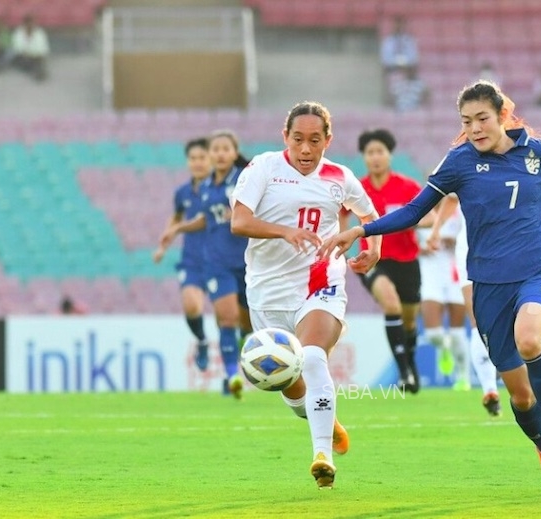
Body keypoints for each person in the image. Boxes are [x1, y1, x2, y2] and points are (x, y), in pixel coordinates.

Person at [319, 80, 541, 496]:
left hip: (540, 271)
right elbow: (414, 211)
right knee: (519, 395)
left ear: (502, 115)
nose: (475, 128)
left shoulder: (540, 153)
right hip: (488, 284)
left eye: (482, 118)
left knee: (530, 341)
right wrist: (362, 229)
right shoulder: (458, 162)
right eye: (466, 121)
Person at [230, 101, 381, 489]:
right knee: (287, 379)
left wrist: (374, 246)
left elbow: (370, 216)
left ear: (328, 140)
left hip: (320, 281)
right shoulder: (263, 168)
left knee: (312, 357)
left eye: (315, 140)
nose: (306, 149)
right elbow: (240, 221)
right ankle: (327, 424)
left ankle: (322, 457)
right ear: (286, 137)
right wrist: (285, 232)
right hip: (267, 292)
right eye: (298, 139)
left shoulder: (340, 177)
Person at [159, 130, 252, 397]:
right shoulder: (207, 187)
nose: (221, 154)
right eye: (216, 149)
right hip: (217, 263)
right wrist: (178, 229)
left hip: (246, 264)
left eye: (226, 149)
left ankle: (244, 356)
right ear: (211, 155)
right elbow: (206, 219)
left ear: (234, 153)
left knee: (246, 324)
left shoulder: (244, 181)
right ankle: (232, 376)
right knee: (226, 318)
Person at [342, 128, 433, 394]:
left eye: (380, 152)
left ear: (389, 155)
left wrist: (410, 222)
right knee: (390, 304)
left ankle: (410, 365)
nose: (375, 157)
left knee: (408, 319)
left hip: (407, 259)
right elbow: (340, 217)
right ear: (364, 157)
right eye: (370, 153)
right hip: (373, 259)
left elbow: (430, 215)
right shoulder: (358, 189)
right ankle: (403, 371)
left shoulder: (406, 186)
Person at [426, 195, 502, 416]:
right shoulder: (463, 162)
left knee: (504, 320)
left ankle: (498, 363)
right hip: (470, 252)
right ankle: (490, 390)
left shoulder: (515, 162)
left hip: (506, 251)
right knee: (478, 321)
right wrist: (436, 230)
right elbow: (451, 197)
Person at [153, 137, 212, 371]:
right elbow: (177, 217)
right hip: (193, 259)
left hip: (223, 259)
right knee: (191, 305)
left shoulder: (222, 189)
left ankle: (237, 357)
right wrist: (163, 245)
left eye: (202, 158)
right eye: (193, 158)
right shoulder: (183, 193)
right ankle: (202, 340)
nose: (197, 163)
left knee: (230, 317)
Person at [416, 204, 469, 390]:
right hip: (430, 273)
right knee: (433, 335)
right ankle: (444, 346)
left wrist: (454, 241)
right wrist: (419, 250)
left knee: (457, 331)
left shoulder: (460, 209)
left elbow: (471, 235)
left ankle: (463, 376)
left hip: (455, 273)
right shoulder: (421, 209)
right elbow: (407, 239)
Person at [11, 15, 49, 81]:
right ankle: (38, 70)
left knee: (39, 60)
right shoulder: (18, 32)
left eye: (32, 23)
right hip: (23, 55)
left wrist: (34, 54)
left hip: (36, 55)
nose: (30, 25)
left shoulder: (39, 32)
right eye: (28, 23)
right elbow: (17, 47)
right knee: (22, 59)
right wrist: (27, 52)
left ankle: (39, 72)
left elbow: (43, 48)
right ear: (24, 24)